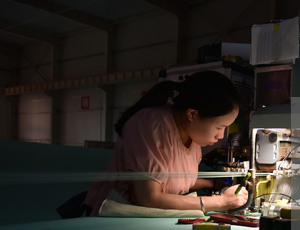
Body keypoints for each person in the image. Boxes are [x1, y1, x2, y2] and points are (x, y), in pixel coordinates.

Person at [84, 71, 248, 216]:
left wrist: (212, 183)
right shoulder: (152, 125)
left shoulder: (191, 132)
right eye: (219, 127)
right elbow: (149, 197)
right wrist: (219, 202)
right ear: (192, 114)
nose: (221, 136)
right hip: (115, 217)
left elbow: (169, 180)